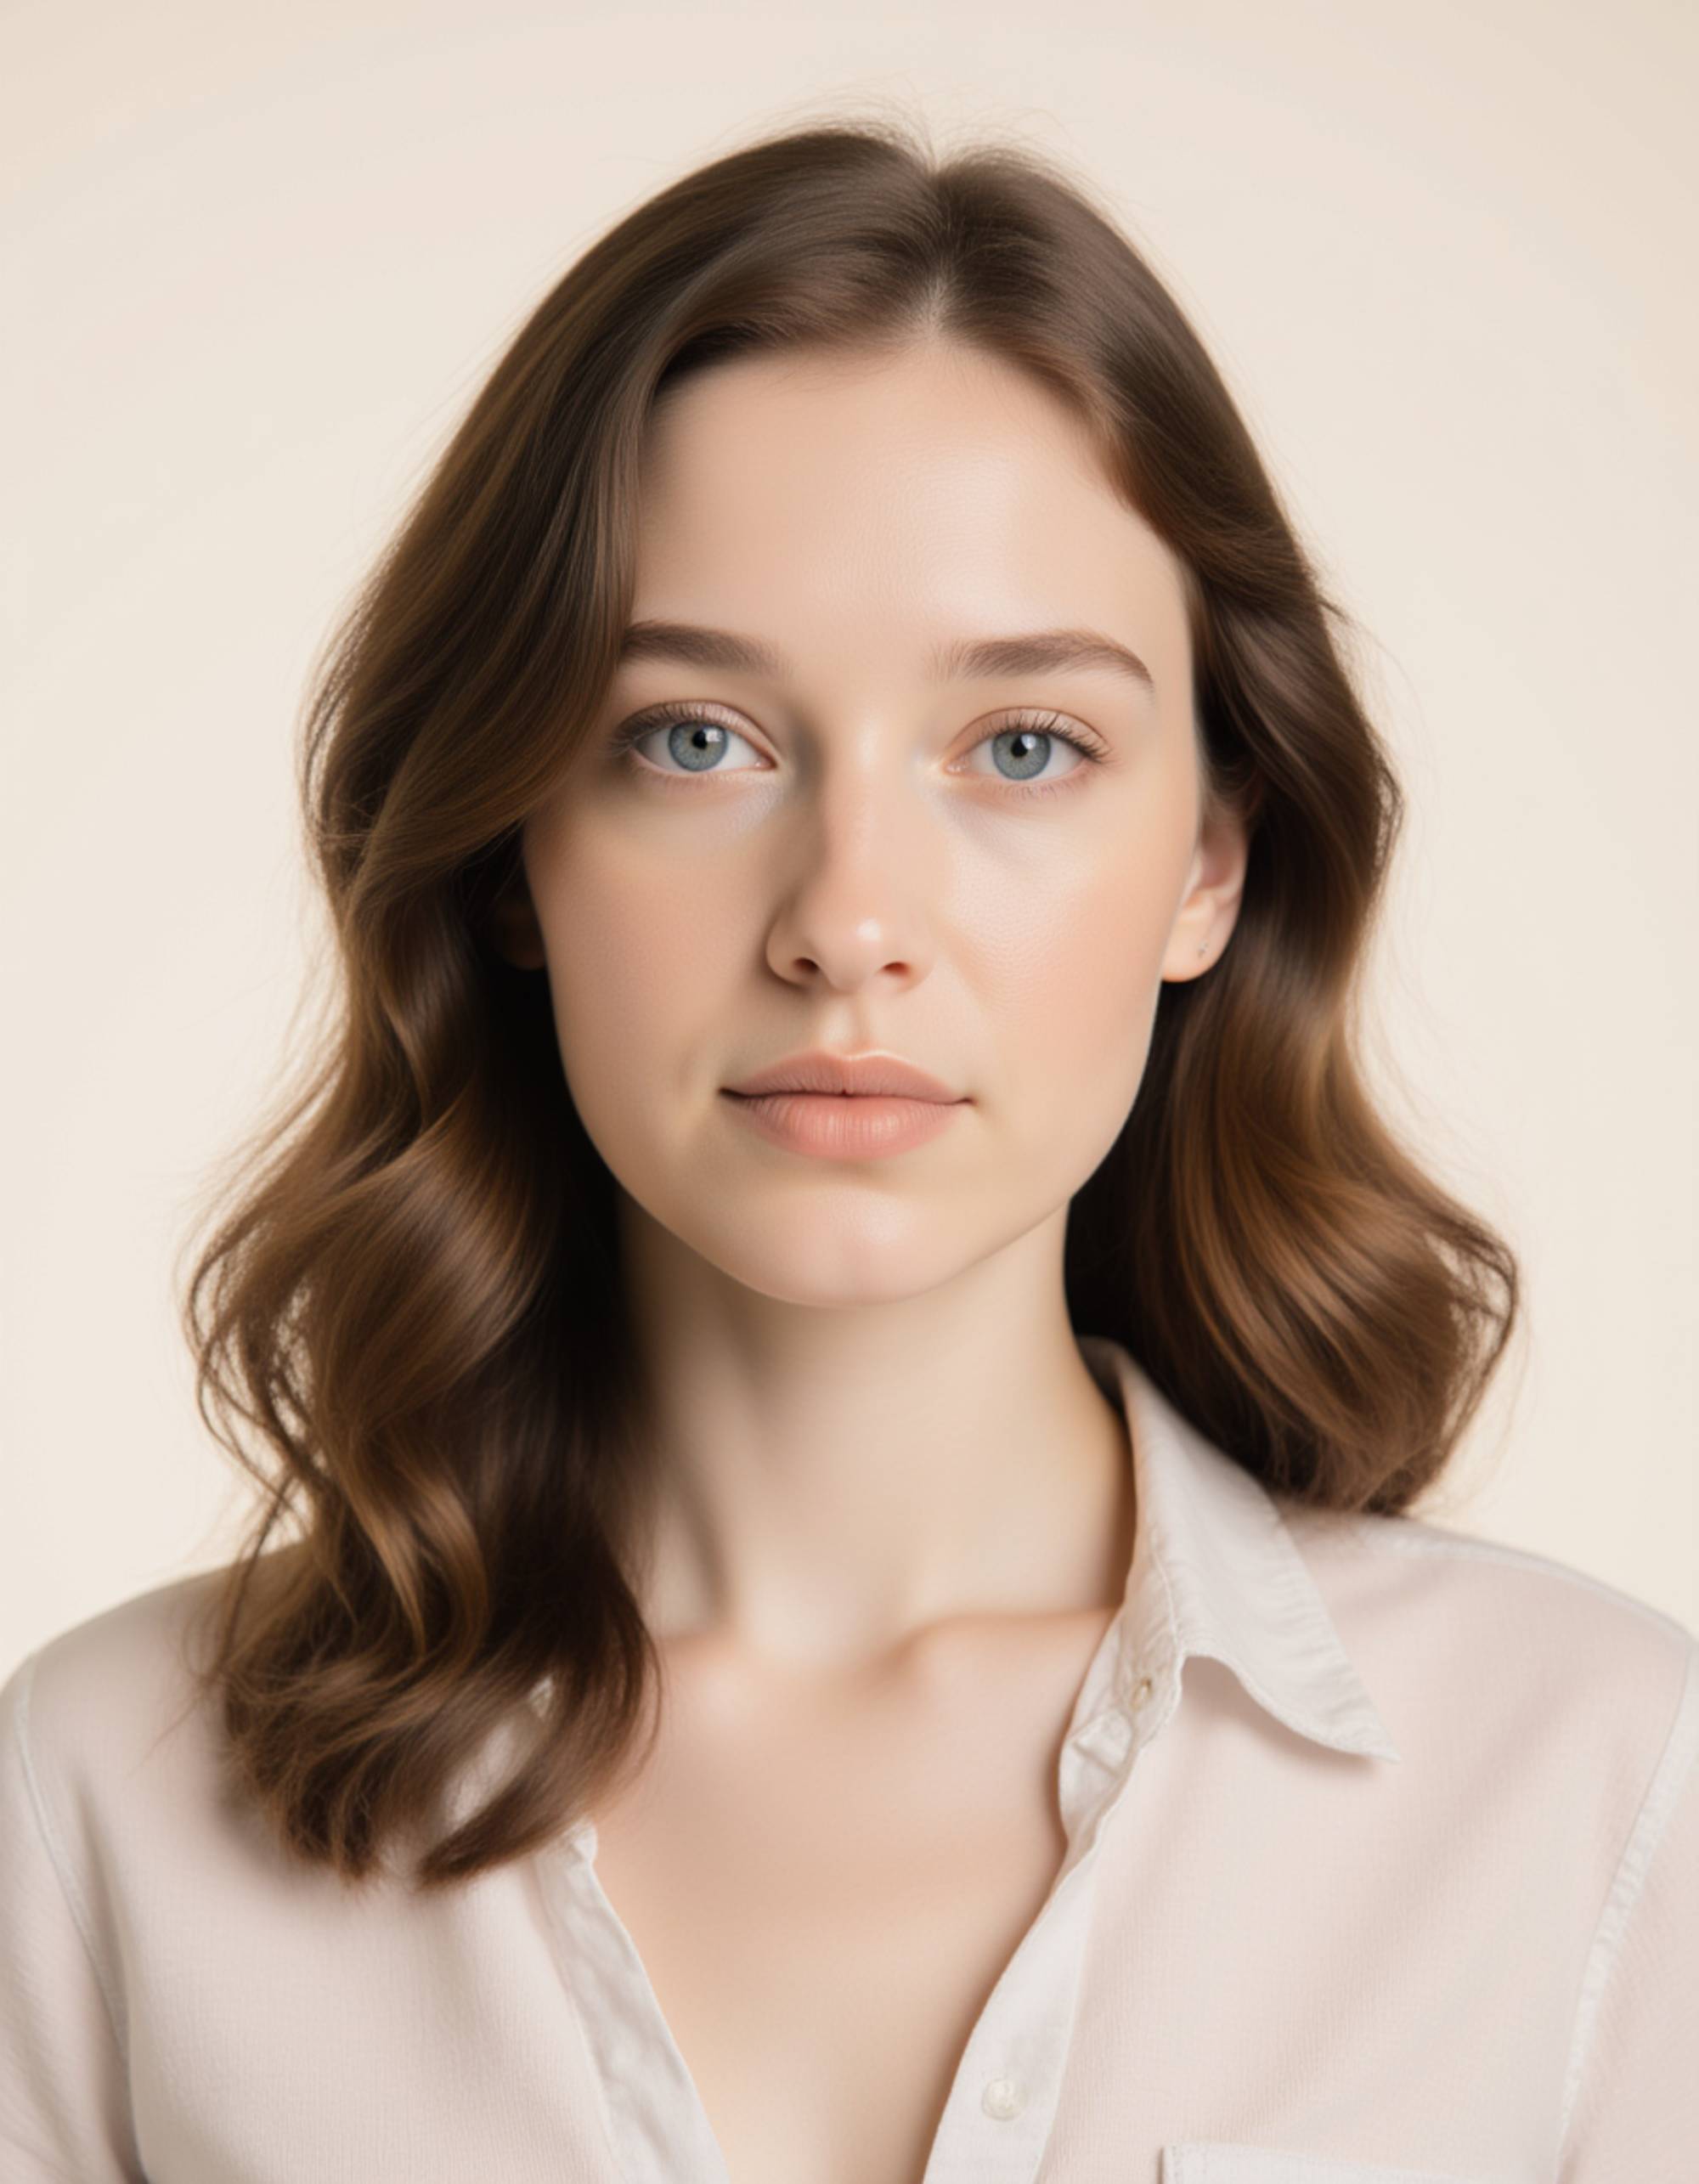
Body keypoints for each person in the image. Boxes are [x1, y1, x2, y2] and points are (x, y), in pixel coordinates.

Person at [2, 116, 1692, 2184]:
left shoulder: (1601, 1791)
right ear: (511, 852)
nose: (846, 915)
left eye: (1022, 745)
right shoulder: (98, 1805)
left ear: (1209, 865)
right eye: (690, 737)